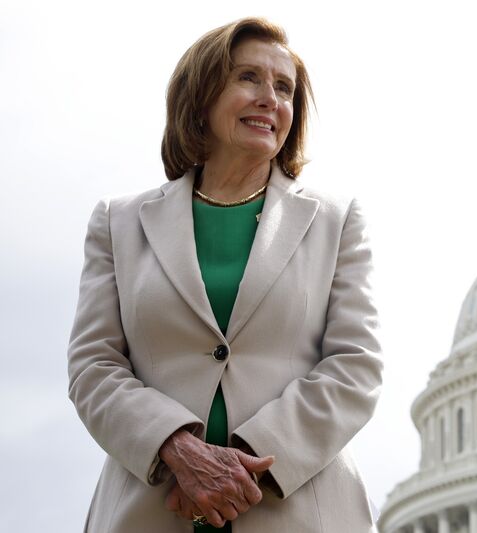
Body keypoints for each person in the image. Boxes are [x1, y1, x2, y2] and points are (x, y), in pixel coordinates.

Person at [68, 17, 383, 533]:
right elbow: (93, 367)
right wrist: (177, 449)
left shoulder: (337, 220)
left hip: (296, 509)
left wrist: (243, 463)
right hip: (152, 509)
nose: (270, 99)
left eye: (284, 88)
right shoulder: (117, 222)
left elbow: (356, 366)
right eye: (248, 78)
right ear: (201, 96)